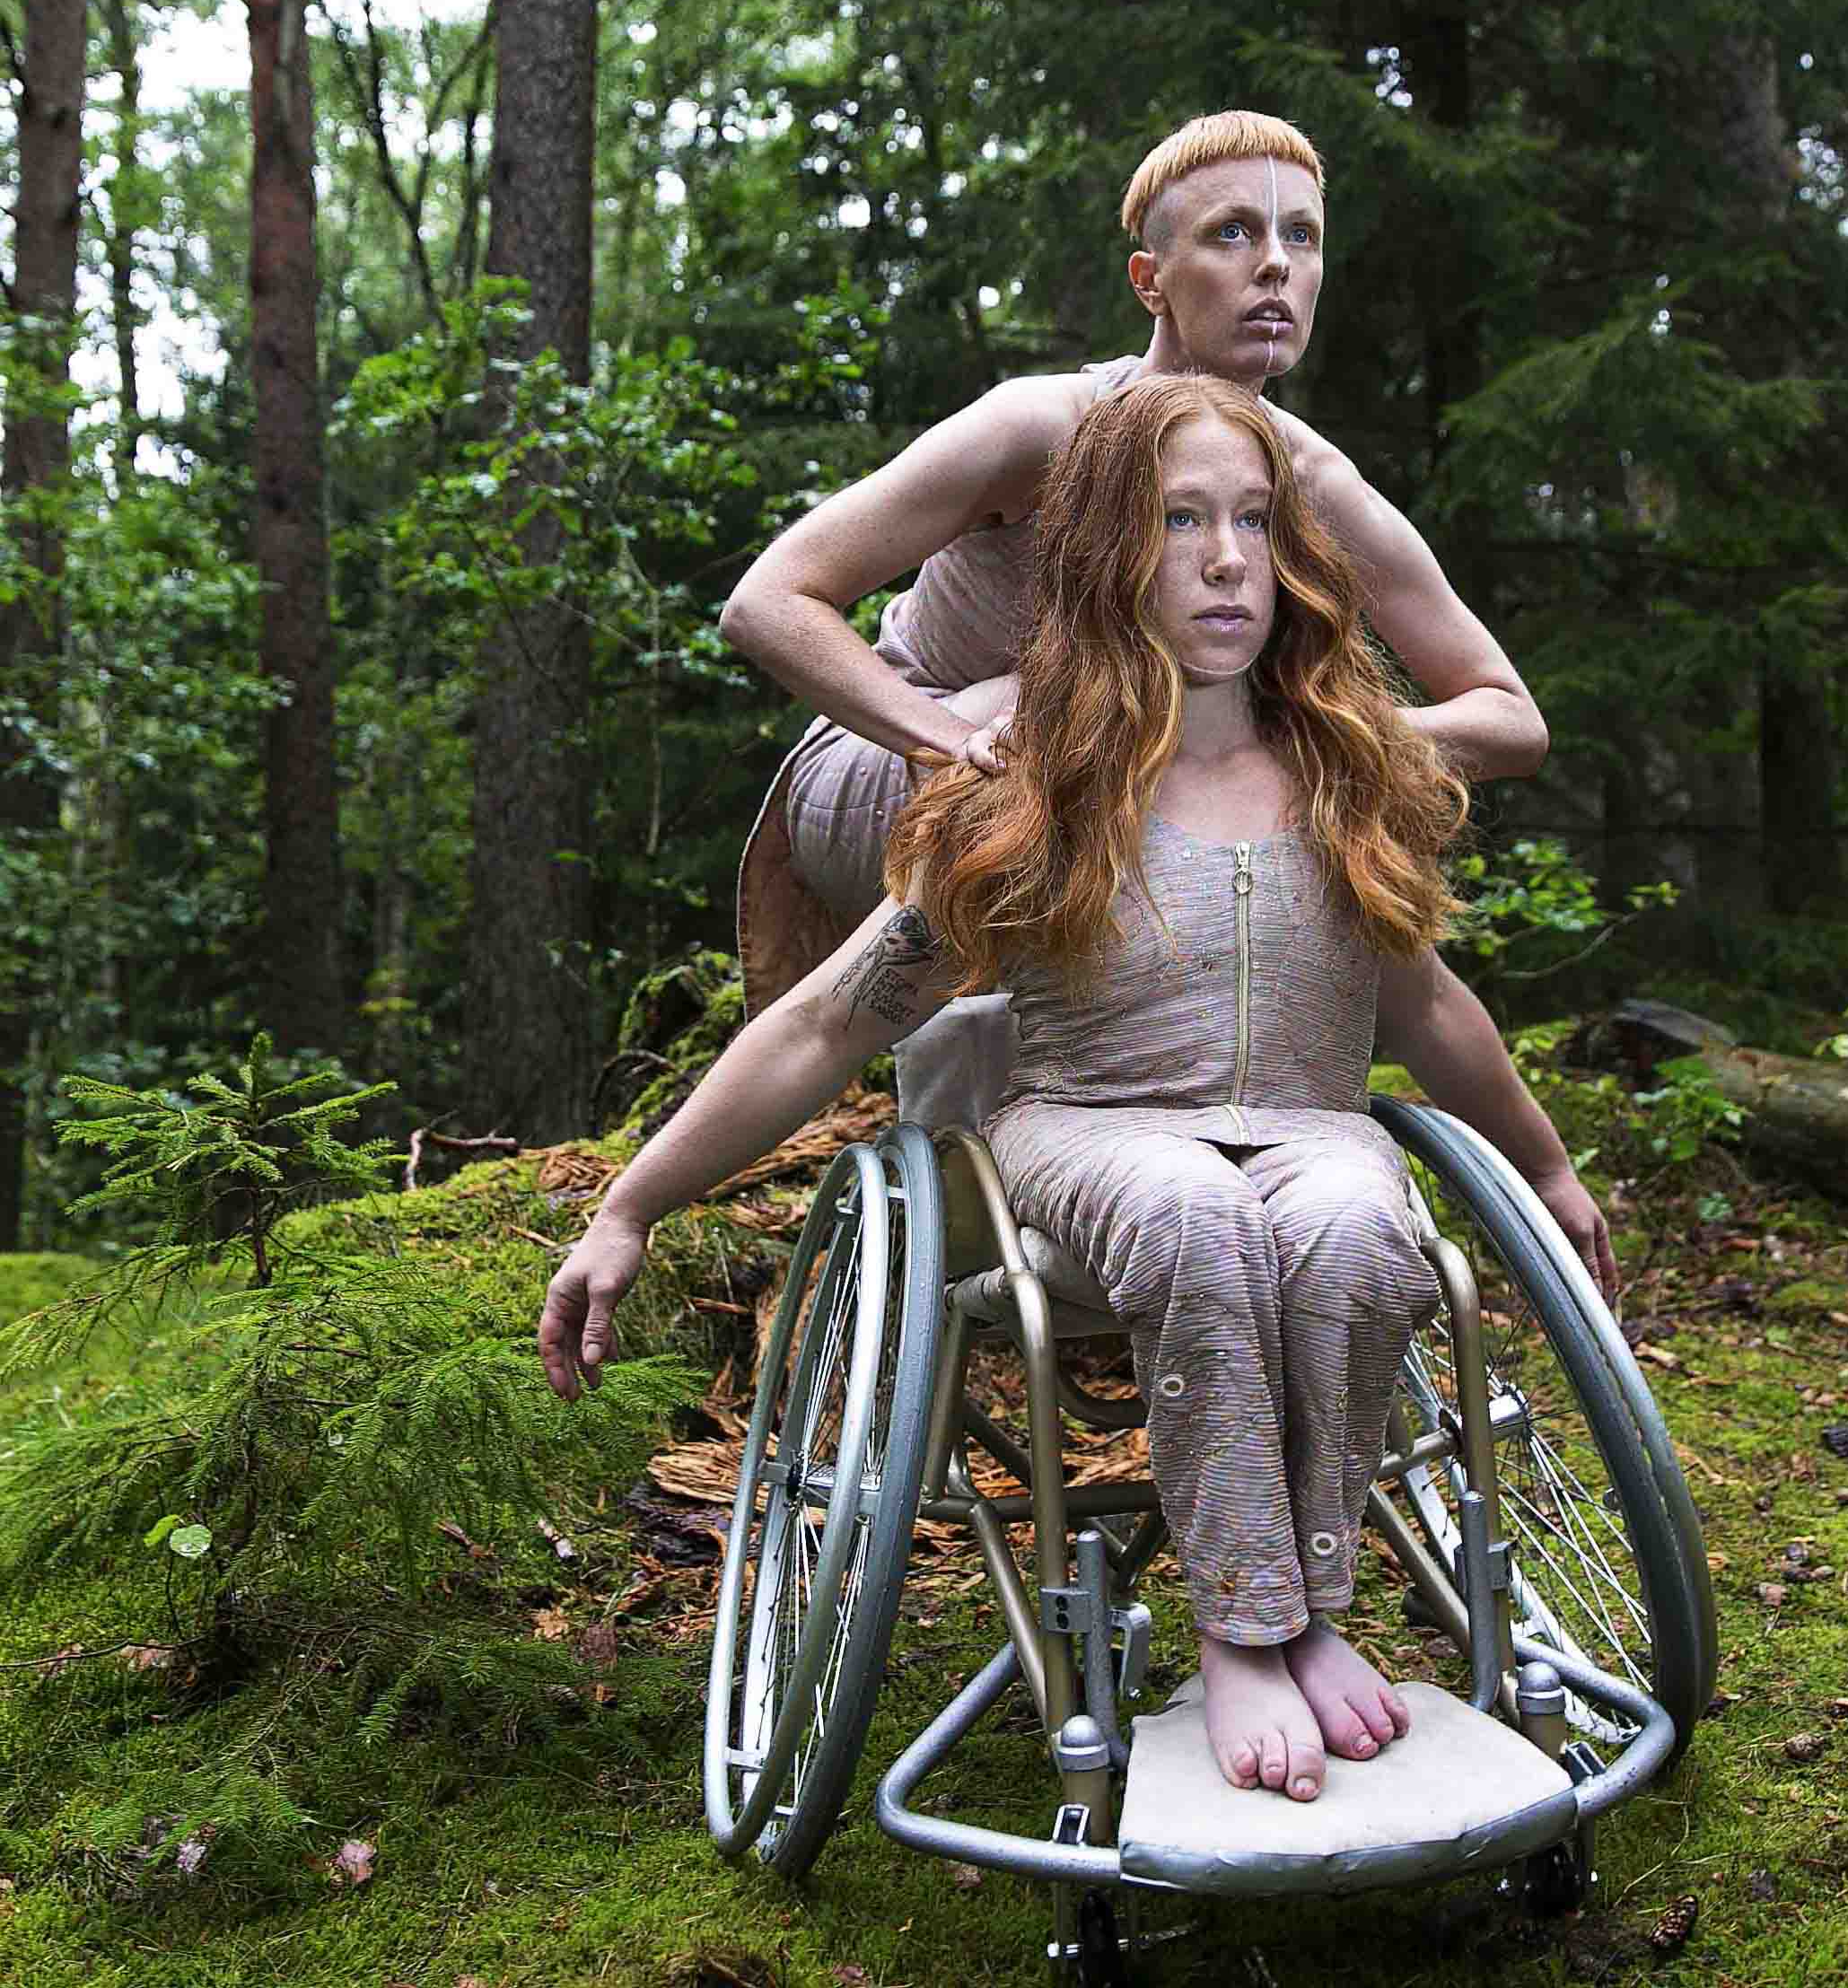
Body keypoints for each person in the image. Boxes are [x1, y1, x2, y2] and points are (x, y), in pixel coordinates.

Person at [541, 376, 1613, 1808]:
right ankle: (1245, 1630)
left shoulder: (1348, 778)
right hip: (1090, 1130)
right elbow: (821, 1028)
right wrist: (632, 1204)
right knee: (1187, 1213)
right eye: (1180, 522)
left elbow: (1426, 1009)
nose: (1228, 559)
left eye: (1252, 521)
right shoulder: (1033, 789)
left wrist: (1542, 1166)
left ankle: (1321, 1618)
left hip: (1309, 1126)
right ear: (1110, 555)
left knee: (1365, 1230)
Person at [720, 112, 1560, 1169]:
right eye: (1231, 234)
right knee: (1087, 710)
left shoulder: (1307, 479)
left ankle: (1188, 1138)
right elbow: (770, 602)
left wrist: (1313, 732)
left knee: (1216, 736)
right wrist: (940, 737)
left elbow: (1508, 717)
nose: (1274, 266)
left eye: (1302, 238)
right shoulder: (1043, 426)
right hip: (897, 764)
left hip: (1116, 776)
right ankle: (972, 1146)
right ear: (1149, 279)